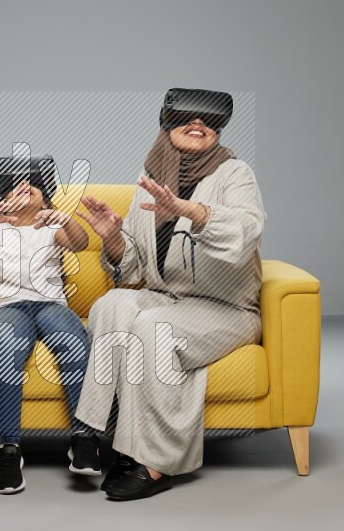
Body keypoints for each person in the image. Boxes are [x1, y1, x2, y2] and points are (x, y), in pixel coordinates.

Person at [74, 89, 266, 501]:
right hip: (169, 297)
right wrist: (112, 240)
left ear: (218, 130)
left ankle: (156, 462)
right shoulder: (152, 179)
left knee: (153, 327)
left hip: (226, 308)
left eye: (208, 120)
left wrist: (191, 211)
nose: (198, 124)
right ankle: (96, 426)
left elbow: (247, 232)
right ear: (165, 122)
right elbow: (136, 269)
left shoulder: (235, 173)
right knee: (110, 305)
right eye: (186, 117)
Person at [0, 155, 101, 494]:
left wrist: (65, 220)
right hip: (5, 307)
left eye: (32, 186)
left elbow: (80, 243)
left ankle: (83, 438)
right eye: (15, 186)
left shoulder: (52, 226)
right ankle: (8, 449)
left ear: (46, 197)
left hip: (49, 305)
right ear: (3, 197)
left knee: (74, 342)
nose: (25, 189)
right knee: (10, 349)